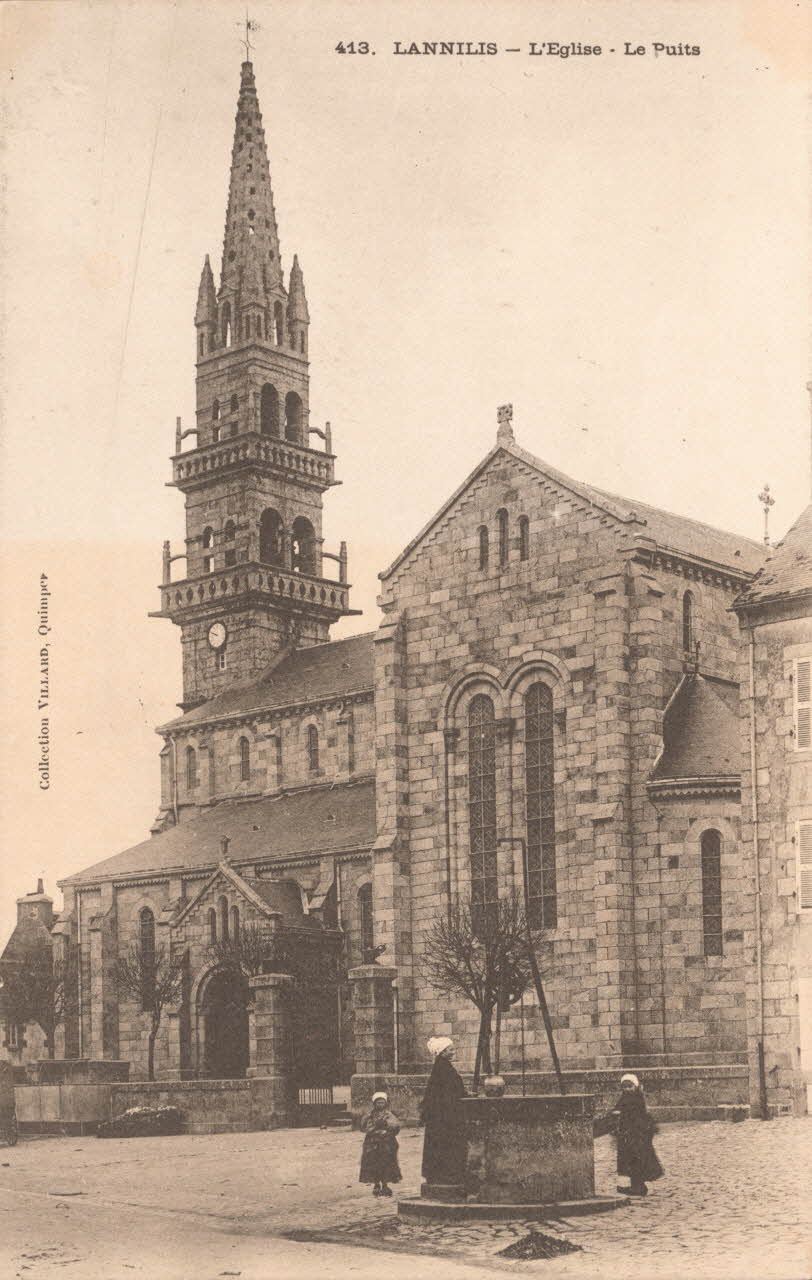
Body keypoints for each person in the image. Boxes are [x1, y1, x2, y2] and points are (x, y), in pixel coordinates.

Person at [420, 1036, 467, 1188]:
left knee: (441, 1144)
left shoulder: (443, 1066)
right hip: (443, 1116)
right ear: (442, 1052)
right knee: (445, 1144)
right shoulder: (443, 1068)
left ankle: (440, 1175)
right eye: (450, 1049)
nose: (453, 1052)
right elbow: (448, 1091)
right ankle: (444, 1175)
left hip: (442, 1114)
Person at [611, 1073, 664, 1197]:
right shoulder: (624, 1098)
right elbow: (619, 1110)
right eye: (624, 1087)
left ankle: (638, 1187)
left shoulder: (636, 1099)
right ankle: (636, 1186)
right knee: (631, 1160)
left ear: (635, 1086)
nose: (627, 1089)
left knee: (636, 1160)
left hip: (636, 1135)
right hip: (627, 1136)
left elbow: (638, 1116)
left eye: (630, 1086)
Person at [359, 1091, 402, 1197]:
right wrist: (376, 1129)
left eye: (382, 1102)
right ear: (374, 1104)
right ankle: (376, 1184)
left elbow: (396, 1126)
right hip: (372, 1144)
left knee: (386, 1163)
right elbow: (365, 1127)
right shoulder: (370, 1115)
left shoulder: (389, 1115)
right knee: (374, 1164)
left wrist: (387, 1128)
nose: (380, 1105)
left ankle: (385, 1184)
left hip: (386, 1143)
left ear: (386, 1103)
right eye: (378, 1103)